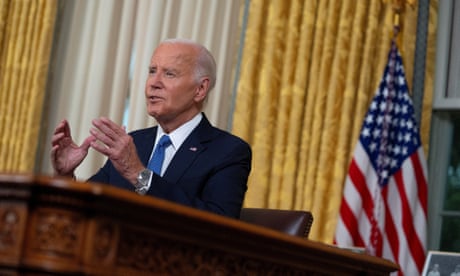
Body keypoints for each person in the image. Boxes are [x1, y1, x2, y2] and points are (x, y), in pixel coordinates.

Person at [50, 38, 252, 218]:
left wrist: (139, 175)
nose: (153, 83)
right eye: (152, 71)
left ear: (200, 89)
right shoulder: (134, 143)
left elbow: (218, 224)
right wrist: (65, 176)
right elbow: (85, 210)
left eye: (169, 74)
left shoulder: (228, 152)